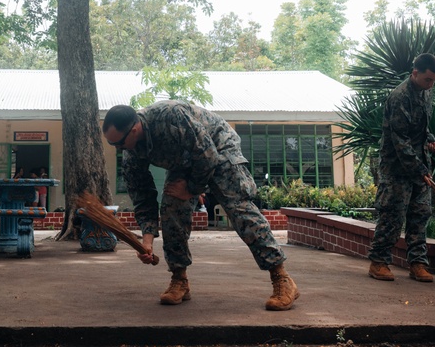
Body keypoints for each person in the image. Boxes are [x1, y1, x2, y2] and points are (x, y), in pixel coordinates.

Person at [102, 101, 299, 311]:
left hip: (219, 148)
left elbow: (207, 156)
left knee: (238, 208)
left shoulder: (171, 117)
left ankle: (282, 278)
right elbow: (142, 195)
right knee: (171, 210)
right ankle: (180, 280)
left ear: (134, 129)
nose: (119, 149)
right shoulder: (131, 152)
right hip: (184, 161)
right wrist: (147, 241)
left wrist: (191, 189)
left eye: (119, 144)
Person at [368, 53, 435, 283]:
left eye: (434, 81)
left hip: (419, 163)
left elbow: (420, 126)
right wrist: (419, 169)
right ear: (415, 73)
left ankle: (418, 263)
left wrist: (429, 137)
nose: (431, 85)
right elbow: (400, 141)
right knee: (393, 215)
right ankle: (378, 262)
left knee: (420, 214)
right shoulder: (399, 97)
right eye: (428, 80)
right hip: (397, 167)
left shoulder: (425, 92)